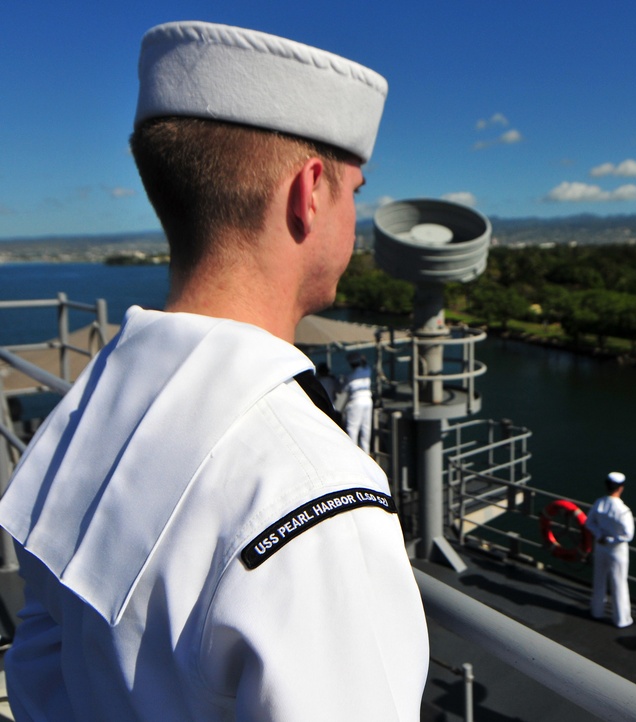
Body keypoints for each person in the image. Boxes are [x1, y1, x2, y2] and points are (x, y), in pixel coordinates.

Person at [0, 20, 428, 721]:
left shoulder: (85, 412)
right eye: (356, 189)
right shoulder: (312, 489)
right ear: (309, 192)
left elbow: (43, 674)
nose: (356, 214)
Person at [585, 471, 634, 628]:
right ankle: (621, 619)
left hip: (600, 547)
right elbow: (628, 534)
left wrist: (600, 535)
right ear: (621, 488)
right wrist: (612, 539)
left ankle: (596, 611)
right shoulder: (623, 510)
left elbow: (589, 523)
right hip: (617, 551)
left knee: (599, 580)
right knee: (619, 583)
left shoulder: (599, 503)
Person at [343, 351, 374, 453]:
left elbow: (342, 389)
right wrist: (364, 359)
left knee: (353, 428)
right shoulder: (367, 371)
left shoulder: (350, 376)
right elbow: (367, 365)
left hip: (356, 400)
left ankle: (353, 452)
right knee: (366, 427)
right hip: (368, 400)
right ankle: (366, 451)